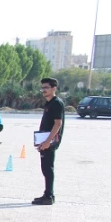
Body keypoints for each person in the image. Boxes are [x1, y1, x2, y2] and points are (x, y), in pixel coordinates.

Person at [32, 77, 64, 205]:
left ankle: (49, 196)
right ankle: (47, 194)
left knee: (47, 168)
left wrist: (47, 142)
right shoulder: (49, 103)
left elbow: (58, 124)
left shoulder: (56, 103)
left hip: (49, 141)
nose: (43, 90)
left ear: (54, 88)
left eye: (46, 87)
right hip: (45, 140)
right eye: (43, 88)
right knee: (45, 167)